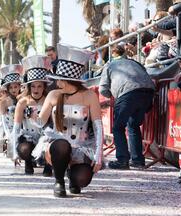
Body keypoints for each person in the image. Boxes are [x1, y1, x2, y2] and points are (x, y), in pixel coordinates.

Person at [38, 44, 103, 198]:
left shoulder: (89, 96)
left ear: (66, 81)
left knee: (82, 179)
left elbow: (98, 126)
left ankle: (72, 177)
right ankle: (59, 180)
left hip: (82, 147)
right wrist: (32, 116)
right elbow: (41, 122)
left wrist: (98, 155)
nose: (57, 82)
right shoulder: (53, 95)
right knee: (62, 145)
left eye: (59, 79)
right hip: (57, 146)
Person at [99, 45, 156, 169]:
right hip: (148, 92)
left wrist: (112, 96)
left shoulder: (109, 65)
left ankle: (122, 160)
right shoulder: (134, 62)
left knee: (118, 127)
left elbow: (103, 88)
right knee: (133, 126)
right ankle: (138, 160)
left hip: (128, 93)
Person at [11, 55, 53, 176]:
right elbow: (16, 128)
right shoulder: (22, 102)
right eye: (33, 86)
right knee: (24, 149)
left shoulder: (49, 101)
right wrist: (14, 153)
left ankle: (48, 164)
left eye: (39, 86)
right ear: (29, 87)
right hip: (28, 138)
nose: (36, 89)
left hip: (46, 137)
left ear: (44, 87)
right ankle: (28, 162)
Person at [0, 64, 24, 159]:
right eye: (11, 87)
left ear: (19, 87)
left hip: (23, 128)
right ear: (8, 89)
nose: (13, 89)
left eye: (16, 87)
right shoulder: (4, 101)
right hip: (9, 128)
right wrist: (9, 134)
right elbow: (4, 121)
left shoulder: (24, 99)